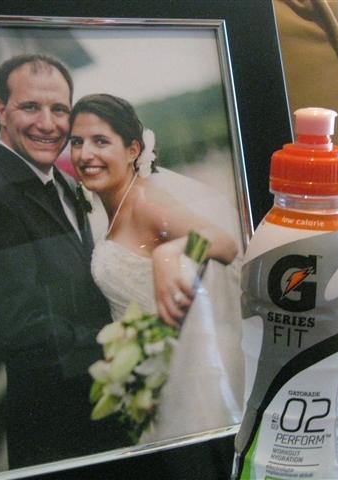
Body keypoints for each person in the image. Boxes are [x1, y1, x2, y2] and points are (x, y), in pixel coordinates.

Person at [0, 55, 126, 469]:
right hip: (57, 432)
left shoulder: (63, 180)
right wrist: (120, 344)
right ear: (1, 111)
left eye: (59, 109)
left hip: (103, 411)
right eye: (30, 107)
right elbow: (17, 330)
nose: (47, 124)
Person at [68, 93, 245, 442]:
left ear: (132, 150)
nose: (85, 154)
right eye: (77, 142)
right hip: (155, 379)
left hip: (185, 378)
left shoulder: (146, 202)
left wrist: (171, 253)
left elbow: (224, 243)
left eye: (100, 141)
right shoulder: (118, 208)